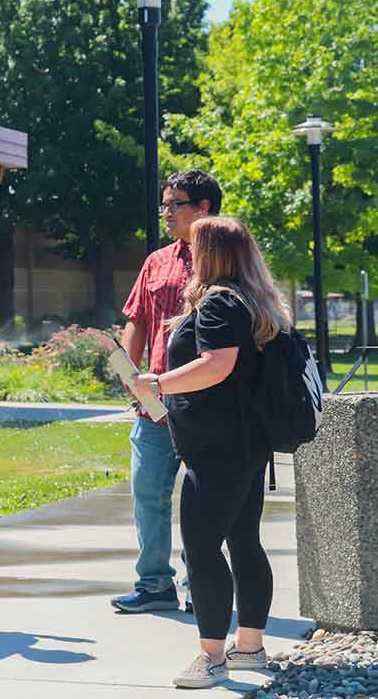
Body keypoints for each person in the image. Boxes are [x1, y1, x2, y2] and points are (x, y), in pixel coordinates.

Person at [133, 217, 286, 689]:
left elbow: (216, 366)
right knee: (243, 542)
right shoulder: (254, 300)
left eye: (194, 247)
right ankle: (251, 647)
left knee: (200, 549)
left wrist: (156, 383)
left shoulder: (219, 301)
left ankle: (212, 657)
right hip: (246, 443)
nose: (187, 254)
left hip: (215, 445)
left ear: (211, 254)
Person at [111, 170, 223, 615]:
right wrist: (129, 371)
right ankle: (155, 584)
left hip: (208, 400)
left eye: (175, 203)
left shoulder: (225, 261)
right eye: (165, 203)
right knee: (147, 491)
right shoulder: (156, 261)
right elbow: (138, 318)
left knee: (207, 495)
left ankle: (203, 582)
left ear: (203, 208)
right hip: (155, 401)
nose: (166, 212)